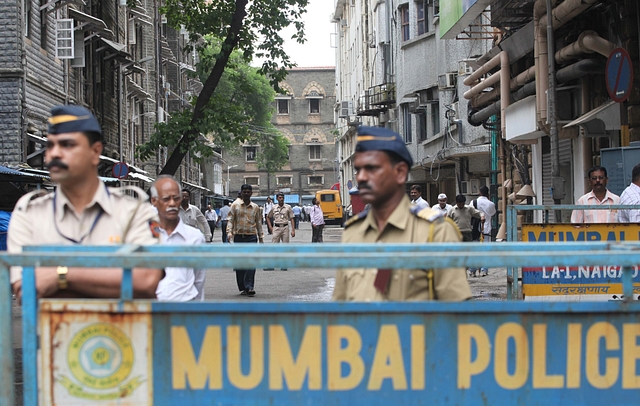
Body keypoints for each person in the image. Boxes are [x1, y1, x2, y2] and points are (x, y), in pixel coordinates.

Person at [8, 105, 161, 299]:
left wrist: (61, 276)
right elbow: (25, 289)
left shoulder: (134, 213)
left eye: (67, 145)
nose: (54, 154)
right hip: (54, 329)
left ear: (95, 151)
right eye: (50, 145)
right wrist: (114, 278)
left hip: (123, 328)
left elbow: (146, 281)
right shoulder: (29, 214)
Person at [332, 126, 471, 301]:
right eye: (359, 169)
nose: (361, 177)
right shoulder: (353, 234)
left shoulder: (436, 233)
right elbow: (339, 309)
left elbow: (457, 314)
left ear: (400, 173)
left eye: (371, 168)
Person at [151, 176, 206, 301]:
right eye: (166, 199)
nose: (172, 203)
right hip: (152, 309)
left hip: (185, 308)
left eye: (176, 198)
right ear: (154, 201)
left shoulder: (195, 237)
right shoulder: (144, 236)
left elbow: (199, 280)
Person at [227, 184, 264, 296]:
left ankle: (249, 286)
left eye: (249, 192)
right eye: (245, 192)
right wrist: (229, 232)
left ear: (251, 193)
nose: (247, 194)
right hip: (239, 237)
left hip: (251, 237)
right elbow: (230, 220)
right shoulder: (235, 205)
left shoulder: (256, 207)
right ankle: (243, 287)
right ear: (241, 193)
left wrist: (261, 238)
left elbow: (258, 223)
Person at [469, 186, 496, 277]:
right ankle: (484, 270)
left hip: (475, 230)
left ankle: (472, 270)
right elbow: (492, 214)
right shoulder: (491, 204)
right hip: (486, 230)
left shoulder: (473, 202)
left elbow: (470, 213)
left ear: (480, 192)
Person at [265, 192, 295, 271]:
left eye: (282, 197)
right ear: (277, 199)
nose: (281, 199)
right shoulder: (274, 208)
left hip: (285, 227)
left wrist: (293, 230)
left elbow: (292, 218)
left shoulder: (288, 207)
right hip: (276, 228)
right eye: (280, 197)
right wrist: (270, 227)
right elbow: (268, 217)